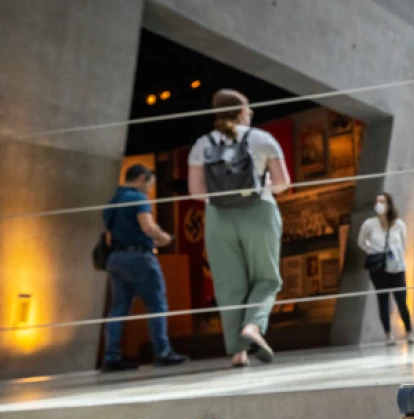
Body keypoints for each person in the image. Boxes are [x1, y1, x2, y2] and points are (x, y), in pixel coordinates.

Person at [188, 89, 290, 368]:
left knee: (229, 285)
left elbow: (196, 191)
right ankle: (253, 327)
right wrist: (265, 184)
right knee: (267, 278)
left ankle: (238, 352)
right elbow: (283, 182)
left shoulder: (202, 144)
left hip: (218, 216)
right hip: (259, 212)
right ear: (244, 111)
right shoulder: (261, 139)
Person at [101, 164, 189, 372]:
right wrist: (164, 238)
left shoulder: (112, 201)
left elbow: (108, 235)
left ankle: (111, 357)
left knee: (119, 309)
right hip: (139, 258)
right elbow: (148, 226)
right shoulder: (138, 198)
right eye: (150, 184)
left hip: (116, 257)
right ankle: (163, 352)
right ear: (142, 178)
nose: (150, 189)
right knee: (157, 304)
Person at [358, 192, 414, 345]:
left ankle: (409, 332)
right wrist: (372, 250)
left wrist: (394, 255)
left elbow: (403, 244)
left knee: (402, 300)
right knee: (383, 301)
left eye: (382, 201)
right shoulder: (369, 224)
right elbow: (362, 242)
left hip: (396, 267)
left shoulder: (399, 224)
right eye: (377, 201)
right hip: (378, 268)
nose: (379, 204)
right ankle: (388, 334)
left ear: (388, 204)